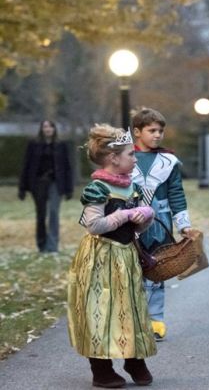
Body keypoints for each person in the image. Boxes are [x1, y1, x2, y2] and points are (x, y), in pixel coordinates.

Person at [67, 124, 156, 388]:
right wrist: (124, 215)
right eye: (131, 154)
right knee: (101, 308)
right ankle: (101, 368)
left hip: (126, 256)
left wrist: (143, 217)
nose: (135, 158)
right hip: (101, 257)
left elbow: (137, 225)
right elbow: (94, 226)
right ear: (113, 158)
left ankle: (133, 358)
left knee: (130, 308)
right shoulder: (98, 188)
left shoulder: (133, 187)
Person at [131, 107, 193, 342]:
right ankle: (134, 319)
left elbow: (177, 194)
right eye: (152, 130)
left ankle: (155, 318)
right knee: (132, 271)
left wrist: (183, 225)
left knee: (157, 271)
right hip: (131, 225)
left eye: (161, 131)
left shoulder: (169, 161)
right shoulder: (125, 157)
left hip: (160, 223)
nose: (157, 135)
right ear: (138, 132)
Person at [18, 120, 74, 252]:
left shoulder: (61, 145)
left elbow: (67, 167)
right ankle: (41, 245)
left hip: (56, 183)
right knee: (41, 214)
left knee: (54, 212)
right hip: (38, 183)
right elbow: (26, 166)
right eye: (45, 127)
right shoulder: (34, 145)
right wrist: (22, 188)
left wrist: (69, 189)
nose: (48, 129)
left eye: (50, 127)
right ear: (41, 129)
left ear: (54, 129)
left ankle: (52, 246)